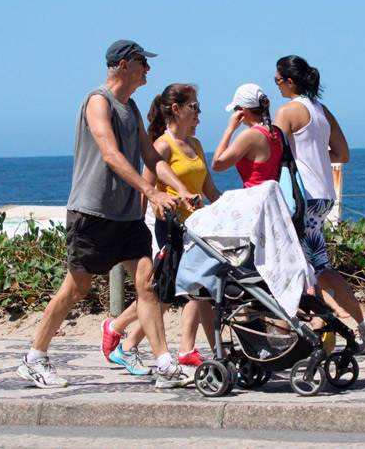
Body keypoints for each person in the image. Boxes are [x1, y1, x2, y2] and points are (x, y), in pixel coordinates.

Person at [16, 40, 199, 389]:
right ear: (125, 64)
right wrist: (151, 192)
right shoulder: (99, 101)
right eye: (143, 62)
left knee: (148, 285)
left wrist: (182, 189)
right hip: (93, 212)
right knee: (76, 289)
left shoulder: (131, 108)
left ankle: (165, 365)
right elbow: (111, 155)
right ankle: (34, 357)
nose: (148, 69)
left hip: (128, 216)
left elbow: (152, 158)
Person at [102, 84, 220, 373]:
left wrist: (234, 209)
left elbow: (210, 190)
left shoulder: (197, 146)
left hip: (194, 230)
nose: (199, 113)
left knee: (190, 290)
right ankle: (120, 331)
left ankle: (135, 343)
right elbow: (146, 188)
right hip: (166, 228)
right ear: (176, 109)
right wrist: (139, 229)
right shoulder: (161, 146)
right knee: (164, 292)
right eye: (194, 107)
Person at [273, 55, 365, 354]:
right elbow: (342, 153)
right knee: (316, 265)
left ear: (290, 80)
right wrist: (314, 158)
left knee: (301, 267)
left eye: (278, 79)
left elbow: (271, 153)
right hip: (323, 194)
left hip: (302, 197)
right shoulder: (322, 111)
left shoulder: (287, 112)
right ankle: (360, 323)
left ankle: (316, 329)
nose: (276, 85)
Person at [211, 84, 282, 186]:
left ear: (243, 111)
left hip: (255, 199)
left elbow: (217, 165)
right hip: (274, 197)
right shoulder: (276, 132)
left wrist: (229, 129)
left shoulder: (249, 135)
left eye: (235, 110)